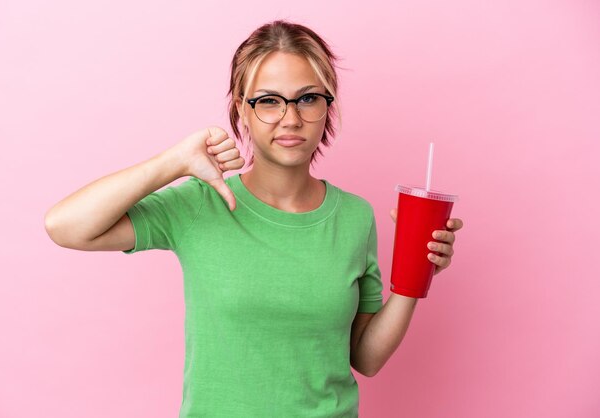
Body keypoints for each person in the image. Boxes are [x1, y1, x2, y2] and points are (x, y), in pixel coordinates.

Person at [45, 20, 463, 418]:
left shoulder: (354, 216)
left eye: (308, 98)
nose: (291, 118)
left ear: (327, 106)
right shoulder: (200, 205)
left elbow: (365, 359)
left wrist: (414, 277)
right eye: (268, 101)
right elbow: (65, 226)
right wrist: (173, 162)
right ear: (241, 110)